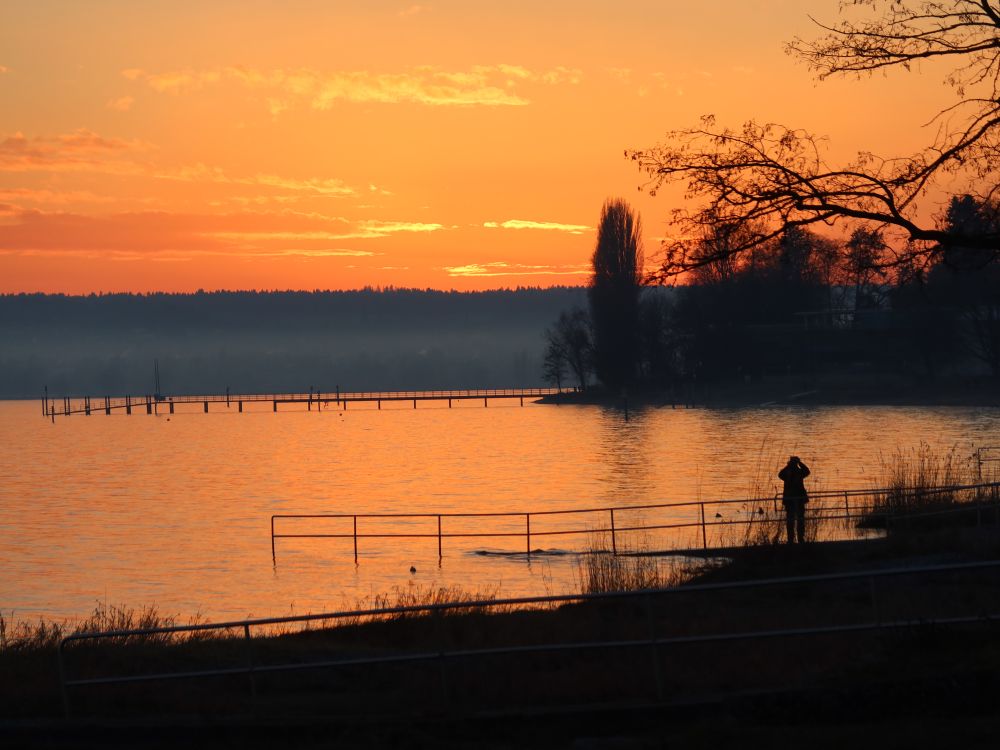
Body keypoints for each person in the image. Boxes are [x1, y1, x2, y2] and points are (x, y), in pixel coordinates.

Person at [778, 456, 810, 544]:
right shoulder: (794, 472)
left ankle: (797, 538)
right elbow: (780, 474)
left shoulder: (797, 472)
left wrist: (798, 463)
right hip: (792, 499)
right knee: (793, 520)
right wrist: (798, 463)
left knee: (797, 520)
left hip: (796, 499)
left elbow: (807, 472)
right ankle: (793, 539)